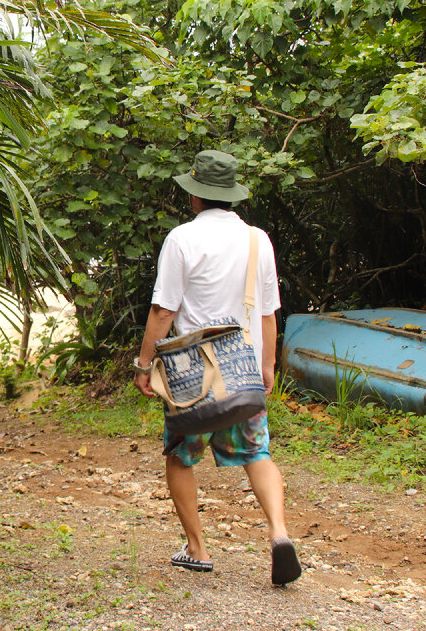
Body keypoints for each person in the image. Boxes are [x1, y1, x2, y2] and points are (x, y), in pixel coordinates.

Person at [133, 149, 301, 586]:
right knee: (257, 453)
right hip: (242, 369)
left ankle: (197, 549)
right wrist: (268, 366)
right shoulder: (257, 239)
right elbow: (267, 313)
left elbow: (163, 311)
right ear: (231, 196)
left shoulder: (182, 239)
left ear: (196, 196)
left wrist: (143, 364)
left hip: (192, 375)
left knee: (180, 456)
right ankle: (280, 534)